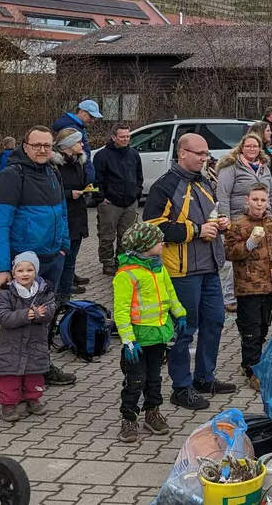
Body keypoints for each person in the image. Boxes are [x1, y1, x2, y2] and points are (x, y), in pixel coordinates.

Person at [145, 132, 236, 410]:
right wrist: (196, 230)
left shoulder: (205, 182)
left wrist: (219, 223)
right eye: (199, 153)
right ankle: (181, 386)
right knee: (185, 329)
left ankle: (204, 378)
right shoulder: (165, 185)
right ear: (182, 153)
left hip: (209, 266)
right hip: (181, 271)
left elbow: (208, 215)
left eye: (206, 154)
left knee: (215, 321)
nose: (204, 158)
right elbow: (152, 226)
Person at [0, 125, 74, 386]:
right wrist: (3, 267)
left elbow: (62, 212)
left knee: (44, 317)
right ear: (25, 146)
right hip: (24, 265)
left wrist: (64, 246)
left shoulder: (52, 172)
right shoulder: (11, 176)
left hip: (52, 259)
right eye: (37, 145)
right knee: (21, 323)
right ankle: (14, 375)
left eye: (47, 145)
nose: (42, 150)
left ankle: (41, 367)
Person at [112, 221, 185, 443]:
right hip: (138, 339)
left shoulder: (159, 267)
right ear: (144, 245)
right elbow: (121, 311)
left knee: (154, 377)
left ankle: (152, 411)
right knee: (135, 379)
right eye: (157, 240)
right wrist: (128, 341)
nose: (162, 242)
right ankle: (129, 417)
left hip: (159, 335)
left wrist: (179, 313)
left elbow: (170, 292)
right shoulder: (126, 275)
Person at [224, 184, 272, 391]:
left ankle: (251, 361)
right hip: (247, 287)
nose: (259, 204)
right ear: (247, 200)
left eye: (263, 200)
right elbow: (229, 252)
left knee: (263, 327)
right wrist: (249, 244)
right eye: (255, 199)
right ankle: (252, 369)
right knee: (250, 330)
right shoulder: (238, 224)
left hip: (268, 285)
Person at [216, 133, 272, 314]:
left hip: (263, 219)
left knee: (259, 256)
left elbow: (271, 196)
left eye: (255, 146)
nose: (252, 149)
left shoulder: (264, 168)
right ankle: (230, 296)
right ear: (241, 148)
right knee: (240, 257)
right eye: (248, 146)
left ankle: (261, 289)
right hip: (240, 219)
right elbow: (223, 195)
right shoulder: (231, 167)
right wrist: (226, 220)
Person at [0, 252, 57, 421]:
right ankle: (8, 404)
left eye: (29, 270)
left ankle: (32, 399)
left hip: (35, 343)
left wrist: (42, 314)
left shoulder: (44, 291)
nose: (25, 274)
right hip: (10, 344)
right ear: (14, 273)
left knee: (34, 373)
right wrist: (25, 315)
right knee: (9, 376)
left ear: (36, 272)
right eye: (20, 270)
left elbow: (50, 310)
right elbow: (2, 315)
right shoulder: (7, 292)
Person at [93, 124, 143, 277]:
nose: (126, 139)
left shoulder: (134, 155)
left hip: (130, 202)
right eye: (122, 137)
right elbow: (97, 179)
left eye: (128, 136)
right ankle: (107, 263)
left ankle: (121, 260)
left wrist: (137, 193)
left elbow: (139, 176)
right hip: (110, 203)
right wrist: (101, 198)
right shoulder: (102, 156)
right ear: (114, 137)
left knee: (126, 235)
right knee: (107, 235)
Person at [51, 128, 90, 302]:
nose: (82, 144)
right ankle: (58, 295)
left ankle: (65, 295)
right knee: (62, 261)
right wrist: (69, 194)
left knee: (71, 260)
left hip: (78, 217)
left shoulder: (79, 162)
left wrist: (86, 190)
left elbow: (83, 182)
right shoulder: (54, 166)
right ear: (67, 145)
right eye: (78, 142)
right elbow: (51, 192)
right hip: (63, 219)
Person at [51, 99, 103, 182]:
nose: (93, 120)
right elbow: (72, 157)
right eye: (91, 116)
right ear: (82, 112)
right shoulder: (73, 129)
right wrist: (87, 178)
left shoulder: (79, 127)